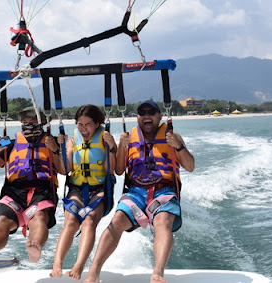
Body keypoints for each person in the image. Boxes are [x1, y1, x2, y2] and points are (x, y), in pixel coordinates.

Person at [83, 100, 195, 283]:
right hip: (136, 191)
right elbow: (119, 170)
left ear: (159, 116)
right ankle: (93, 273)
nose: (147, 115)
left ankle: (158, 273)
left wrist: (179, 146)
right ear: (137, 118)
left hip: (164, 190)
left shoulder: (172, 136)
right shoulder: (129, 137)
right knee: (117, 220)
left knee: (163, 222)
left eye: (151, 112)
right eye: (142, 112)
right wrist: (122, 146)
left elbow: (190, 167)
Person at [0, 106, 66, 263]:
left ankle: (35, 247)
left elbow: (63, 170)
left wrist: (55, 150)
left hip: (42, 190)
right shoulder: (11, 142)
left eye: (32, 122)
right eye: (24, 122)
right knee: (3, 220)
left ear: (41, 123)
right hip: (15, 191)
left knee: (39, 217)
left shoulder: (53, 142)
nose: (28, 125)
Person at [51, 105, 117, 280]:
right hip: (77, 188)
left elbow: (111, 170)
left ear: (97, 124)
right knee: (71, 221)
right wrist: (62, 149)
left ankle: (79, 266)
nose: (83, 128)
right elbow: (67, 169)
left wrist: (111, 147)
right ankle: (57, 263)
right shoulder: (73, 139)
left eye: (88, 124)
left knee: (88, 221)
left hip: (100, 189)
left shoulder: (105, 138)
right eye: (80, 124)